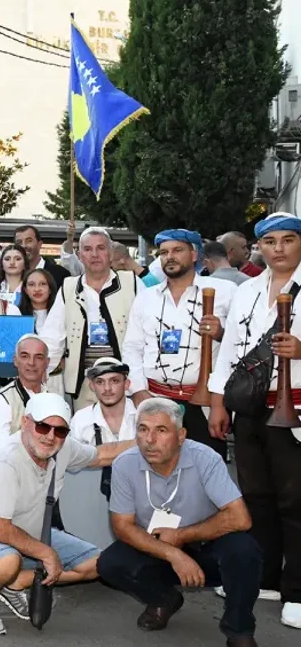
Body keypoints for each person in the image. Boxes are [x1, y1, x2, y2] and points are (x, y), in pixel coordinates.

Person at [0, 394, 130, 636]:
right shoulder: (3, 459)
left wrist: (149, 441)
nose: (50, 436)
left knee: (99, 564)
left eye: (60, 430)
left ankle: (15, 583)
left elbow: (102, 455)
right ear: (25, 422)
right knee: (7, 562)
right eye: (43, 426)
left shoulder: (63, 448)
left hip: (26, 531)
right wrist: (46, 553)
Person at [97, 398, 261, 645]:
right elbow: (122, 526)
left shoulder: (205, 458)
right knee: (110, 563)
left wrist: (181, 536)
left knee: (245, 551)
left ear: (181, 435)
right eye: (143, 429)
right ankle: (164, 599)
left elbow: (241, 518)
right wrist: (174, 554)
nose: (149, 440)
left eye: (161, 430)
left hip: (206, 544)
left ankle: (239, 629)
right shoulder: (124, 464)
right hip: (157, 545)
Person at [208, 212, 301, 627]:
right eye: (270, 241)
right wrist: (218, 402)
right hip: (248, 407)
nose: (278, 249)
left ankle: (297, 589)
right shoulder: (246, 291)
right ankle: (265, 577)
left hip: (295, 407)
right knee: (256, 495)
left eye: (288, 240)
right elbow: (229, 350)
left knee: (295, 500)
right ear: (259, 246)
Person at [123, 229, 232, 457]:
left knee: (206, 468)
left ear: (194, 254)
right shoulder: (146, 297)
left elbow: (237, 347)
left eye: (177, 250)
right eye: (163, 253)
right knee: (158, 467)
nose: (169, 257)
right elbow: (132, 348)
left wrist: (221, 333)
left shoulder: (225, 291)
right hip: (156, 400)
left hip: (205, 405)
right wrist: (139, 391)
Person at [42, 226, 142, 411]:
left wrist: (140, 385)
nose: (94, 254)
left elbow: (147, 333)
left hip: (125, 382)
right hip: (84, 382)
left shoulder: (133, 283)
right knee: (85, 428)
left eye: (101, 248)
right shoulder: (68, 287)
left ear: (111, 253)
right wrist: (41, 374)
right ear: (79, 255)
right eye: (87, 249)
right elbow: (52, 338)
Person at [0, 335, 51, 451]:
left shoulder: (52, 397)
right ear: (15, 361)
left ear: (47, 362)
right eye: (25, 356)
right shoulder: (2, 401)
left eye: (38, 357)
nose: (31, 363)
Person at [69, 357, 138, 446]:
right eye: (100, 382)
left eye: (114, 381)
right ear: (92, 386)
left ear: (126, 384)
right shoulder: (80, 420)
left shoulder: (141, 415)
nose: (107, 388)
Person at [14, 225, 71, 290]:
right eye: (19, 242)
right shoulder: (10, 274)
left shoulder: (60, 274)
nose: (24, 246)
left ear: (39, 244)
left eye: (29, 241)